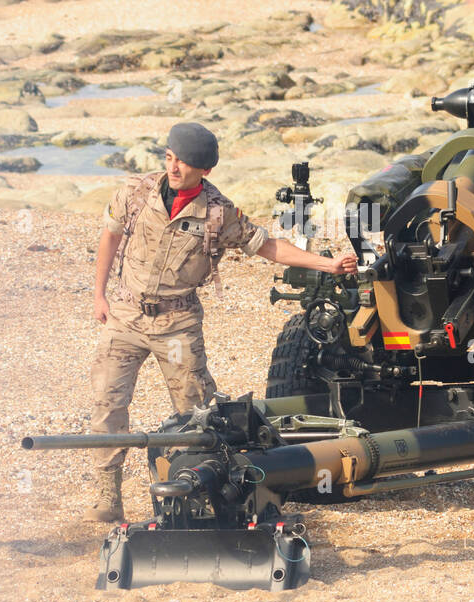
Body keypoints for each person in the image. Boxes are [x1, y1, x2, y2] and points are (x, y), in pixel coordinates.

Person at [85, 123, 357, 522]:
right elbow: (109, 237)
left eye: (184, 162)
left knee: (196, 414)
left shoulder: (218, 212)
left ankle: (196, 494)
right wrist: (99, 294)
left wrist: (328, 264)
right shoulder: (135, 191)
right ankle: (107, 494)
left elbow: (268, 247)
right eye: (170, 158)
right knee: (108, 405)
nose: (174, 167)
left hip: (177, 323)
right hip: (125, 315)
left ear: (205, 171)